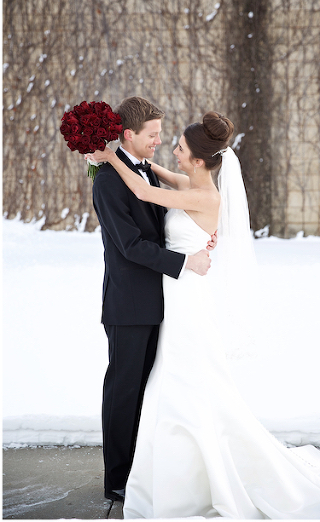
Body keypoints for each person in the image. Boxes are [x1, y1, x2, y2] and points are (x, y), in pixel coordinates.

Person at [87, 111, 320, 518]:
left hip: (186, 299)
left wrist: (108, 156)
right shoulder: (192, 183)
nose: (171, 148)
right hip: (171, 296)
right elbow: (150, 174)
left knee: (187, 381)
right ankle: (161, 464)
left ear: (199, 160)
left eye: (181, 148)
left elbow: (141, 190)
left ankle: (190, 469)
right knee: (167, 382)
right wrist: (119, 157)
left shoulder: (203, 196)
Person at [91, 96, 214, 503]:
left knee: (150, 391)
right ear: (128, 134)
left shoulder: (139, 171)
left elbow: (165, 219)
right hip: (128, 305)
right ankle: (117, 479)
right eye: (153, 135)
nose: (159, 141)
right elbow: (129, 245)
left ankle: (144, 470)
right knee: (124, 391)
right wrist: (185, 261)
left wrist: (198, 236)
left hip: (163, 303)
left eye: (162, 134)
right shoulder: (109, 180)